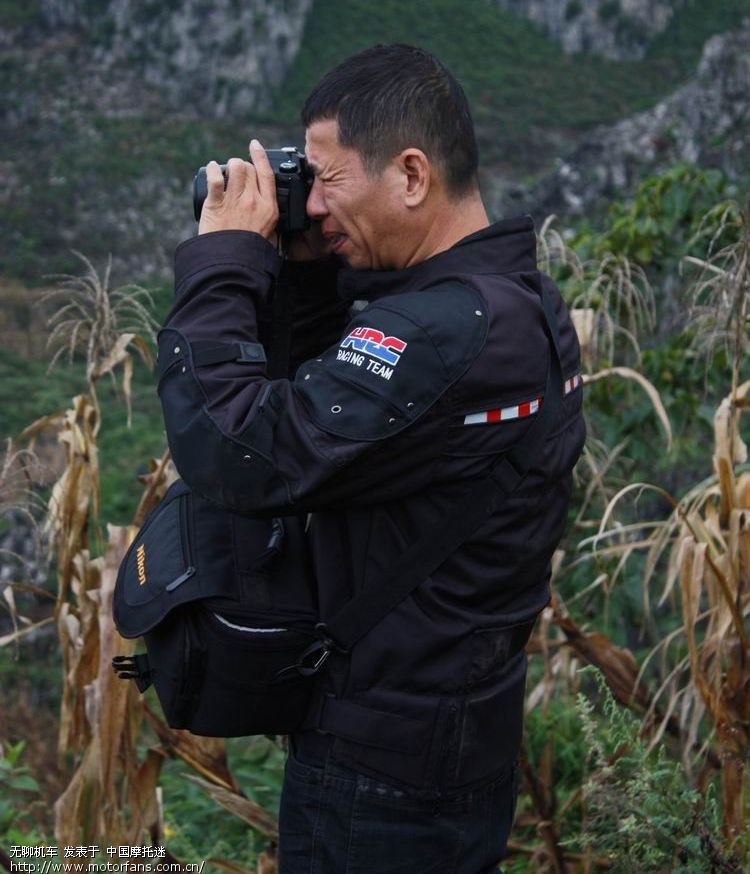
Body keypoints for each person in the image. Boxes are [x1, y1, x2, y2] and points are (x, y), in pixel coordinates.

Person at [159, 44, 585, 872]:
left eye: (327, 178)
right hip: (448, 746)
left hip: (379, 784)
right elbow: (355, 428)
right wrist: (313, 277)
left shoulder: (435, 333)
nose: (311, 206)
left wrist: (221, 262)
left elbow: (236, 452)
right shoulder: (517, 303)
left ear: (413, 175)